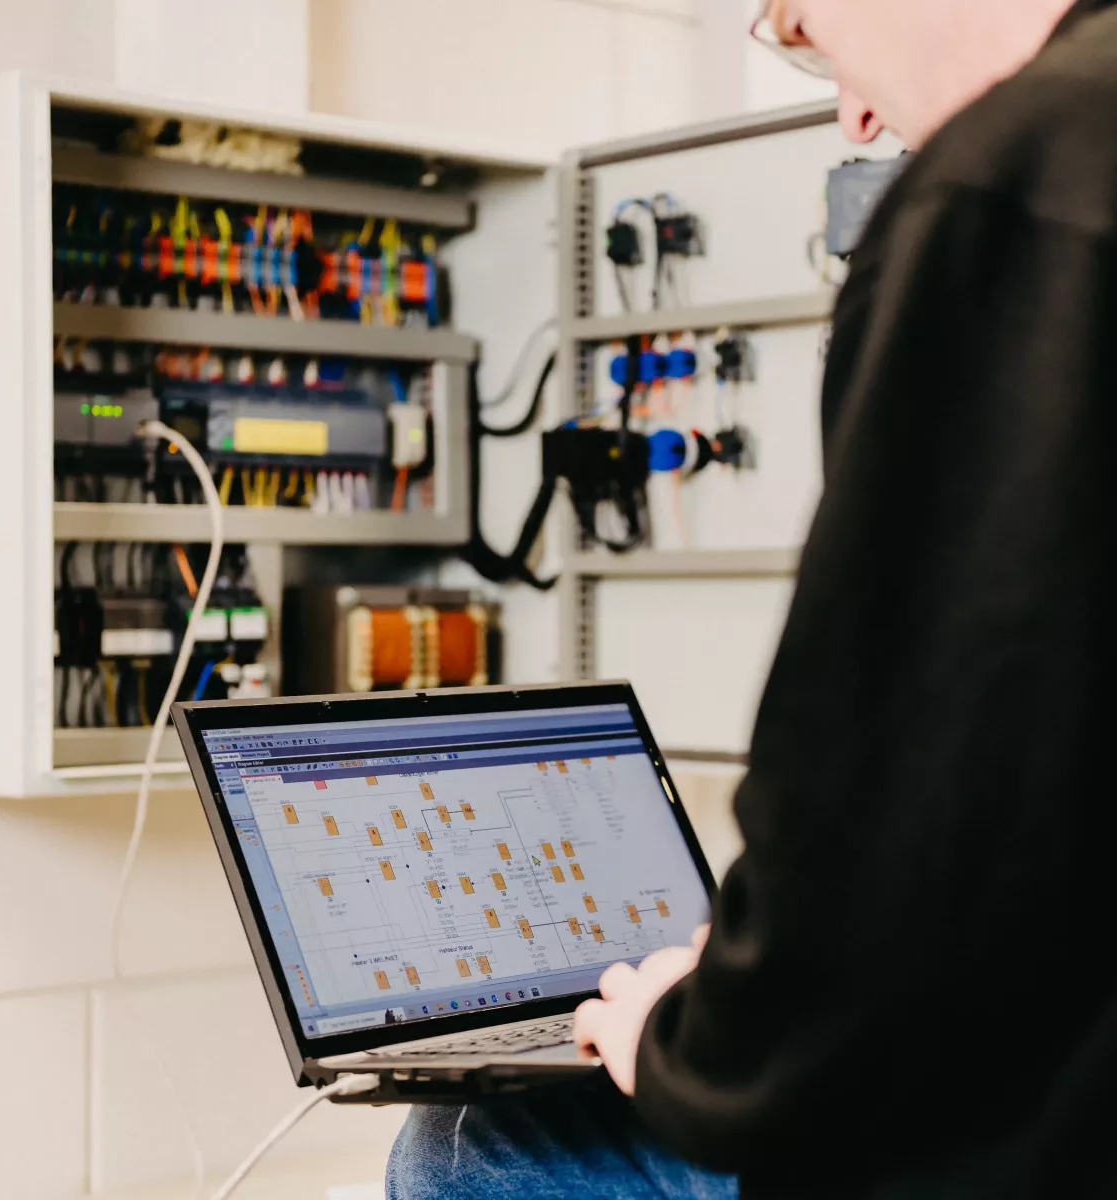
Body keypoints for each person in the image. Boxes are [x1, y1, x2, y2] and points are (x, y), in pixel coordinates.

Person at [389, 0, 1117, 1195]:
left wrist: (687, 1039)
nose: (856, 112)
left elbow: (900, 832)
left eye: (803, 29)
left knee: (478, 1144)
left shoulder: (1020, 178)